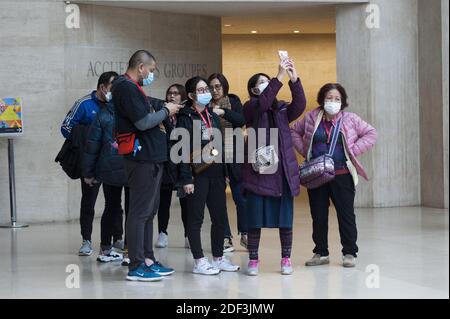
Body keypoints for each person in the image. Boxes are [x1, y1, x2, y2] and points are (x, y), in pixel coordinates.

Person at [112, 50, 182, 282]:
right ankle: (136, 264)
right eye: (151, 71)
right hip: (140, 159)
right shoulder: (126, 87)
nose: (151, 75)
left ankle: (148, 259)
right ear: (141, 67)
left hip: (151, 158)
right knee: (139, 212)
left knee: (149, 212)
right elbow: (142, 122)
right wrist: (165, 111)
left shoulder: (134, 88)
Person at [291, 83, 377, 268]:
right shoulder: (312, 117)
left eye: (337, 98)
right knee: (318, 215)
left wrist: (353, 150)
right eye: (329, 98)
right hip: (317, 175)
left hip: (342, 174)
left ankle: (349, 252)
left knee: (346, 215)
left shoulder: (350, 119)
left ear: (343, 101)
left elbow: (371, 133)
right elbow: (293, 132)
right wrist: (306, 151)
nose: (333, 101)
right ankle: (321, 253)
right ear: (322, 99)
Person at [241, 57, 306, 276]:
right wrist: (277, 77)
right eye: (262, 82)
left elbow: (300, 105)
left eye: (268, 81)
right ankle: (253, 259)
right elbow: (263, 103)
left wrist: (293, 79)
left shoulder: (281, 109)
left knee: (285, 218)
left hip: (282, 172)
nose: (267, 84)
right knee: (255, 217)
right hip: (260, 170)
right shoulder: (251, 107)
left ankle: (286, 259)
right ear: (253, 89)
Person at [177, 76, 240, 275]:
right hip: (197, 175)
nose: (207, 93)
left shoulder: (211, 115)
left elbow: (219, 143)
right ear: (191, 95)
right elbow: (181, 150)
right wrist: (186, 179)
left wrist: (225, 172)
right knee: (196, 219)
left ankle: (219, 258)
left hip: (216, 173)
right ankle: (199, 261)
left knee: (219, 217)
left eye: (207, 89)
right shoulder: (185, 117)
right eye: (202, 90)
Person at [60, 71, 118, 256]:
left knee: (115, 203)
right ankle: (86, 240)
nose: (115, 91)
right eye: (112, 87)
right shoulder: (84, 104)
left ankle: (117, 238)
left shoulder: (117, 105)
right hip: (91, 162)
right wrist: (87, 141)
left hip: (111, 163)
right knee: (89, 202)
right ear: (102, 87)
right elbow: (66, 127)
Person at [82, 71, 129, 263]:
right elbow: (91, 145)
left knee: (111, 207)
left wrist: (88, 172)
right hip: (128, 168)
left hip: (110, 170)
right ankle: (128, 251)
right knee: (129, 209)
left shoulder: (103, 114)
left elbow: (91, 147)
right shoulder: (130, 113)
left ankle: (105, 248)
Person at [207, 73, 247, 252]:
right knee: (218, 197)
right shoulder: (205, 105)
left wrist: (223, 112)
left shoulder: (233, 101)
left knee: (240, 195)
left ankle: (245, 233)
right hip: (213, 152)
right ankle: (225, 237)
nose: (214, 90)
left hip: (233, 150)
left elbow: (241, 120)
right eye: (211, 87)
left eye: (218, 86)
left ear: (224, 87)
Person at [155, 84, 189, 249]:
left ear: (182, 96)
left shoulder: (186, 114)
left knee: (186, 202)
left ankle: (188, 234)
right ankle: (162, 232)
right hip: (165, 162)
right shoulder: (162, 114)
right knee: (164, 201)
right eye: (169, 93)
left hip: (182, 163)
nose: (172, 96)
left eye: (176, 93)